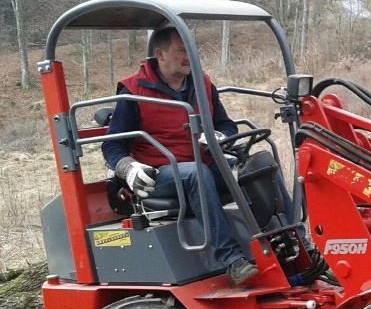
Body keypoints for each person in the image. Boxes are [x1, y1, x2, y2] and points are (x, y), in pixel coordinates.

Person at [102, 27, 260, 285]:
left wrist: (218, 136)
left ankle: (289, 245)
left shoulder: (203, 84)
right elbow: (112, 146)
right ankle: (231, 259)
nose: (189, 57)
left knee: (259, 165)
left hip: (205, 165)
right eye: (181, 51)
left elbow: (226, 124)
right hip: (160, 175)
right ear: (160, 54)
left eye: (191, 50)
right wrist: (129, 169)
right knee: (195, 173)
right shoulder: (132, 91)